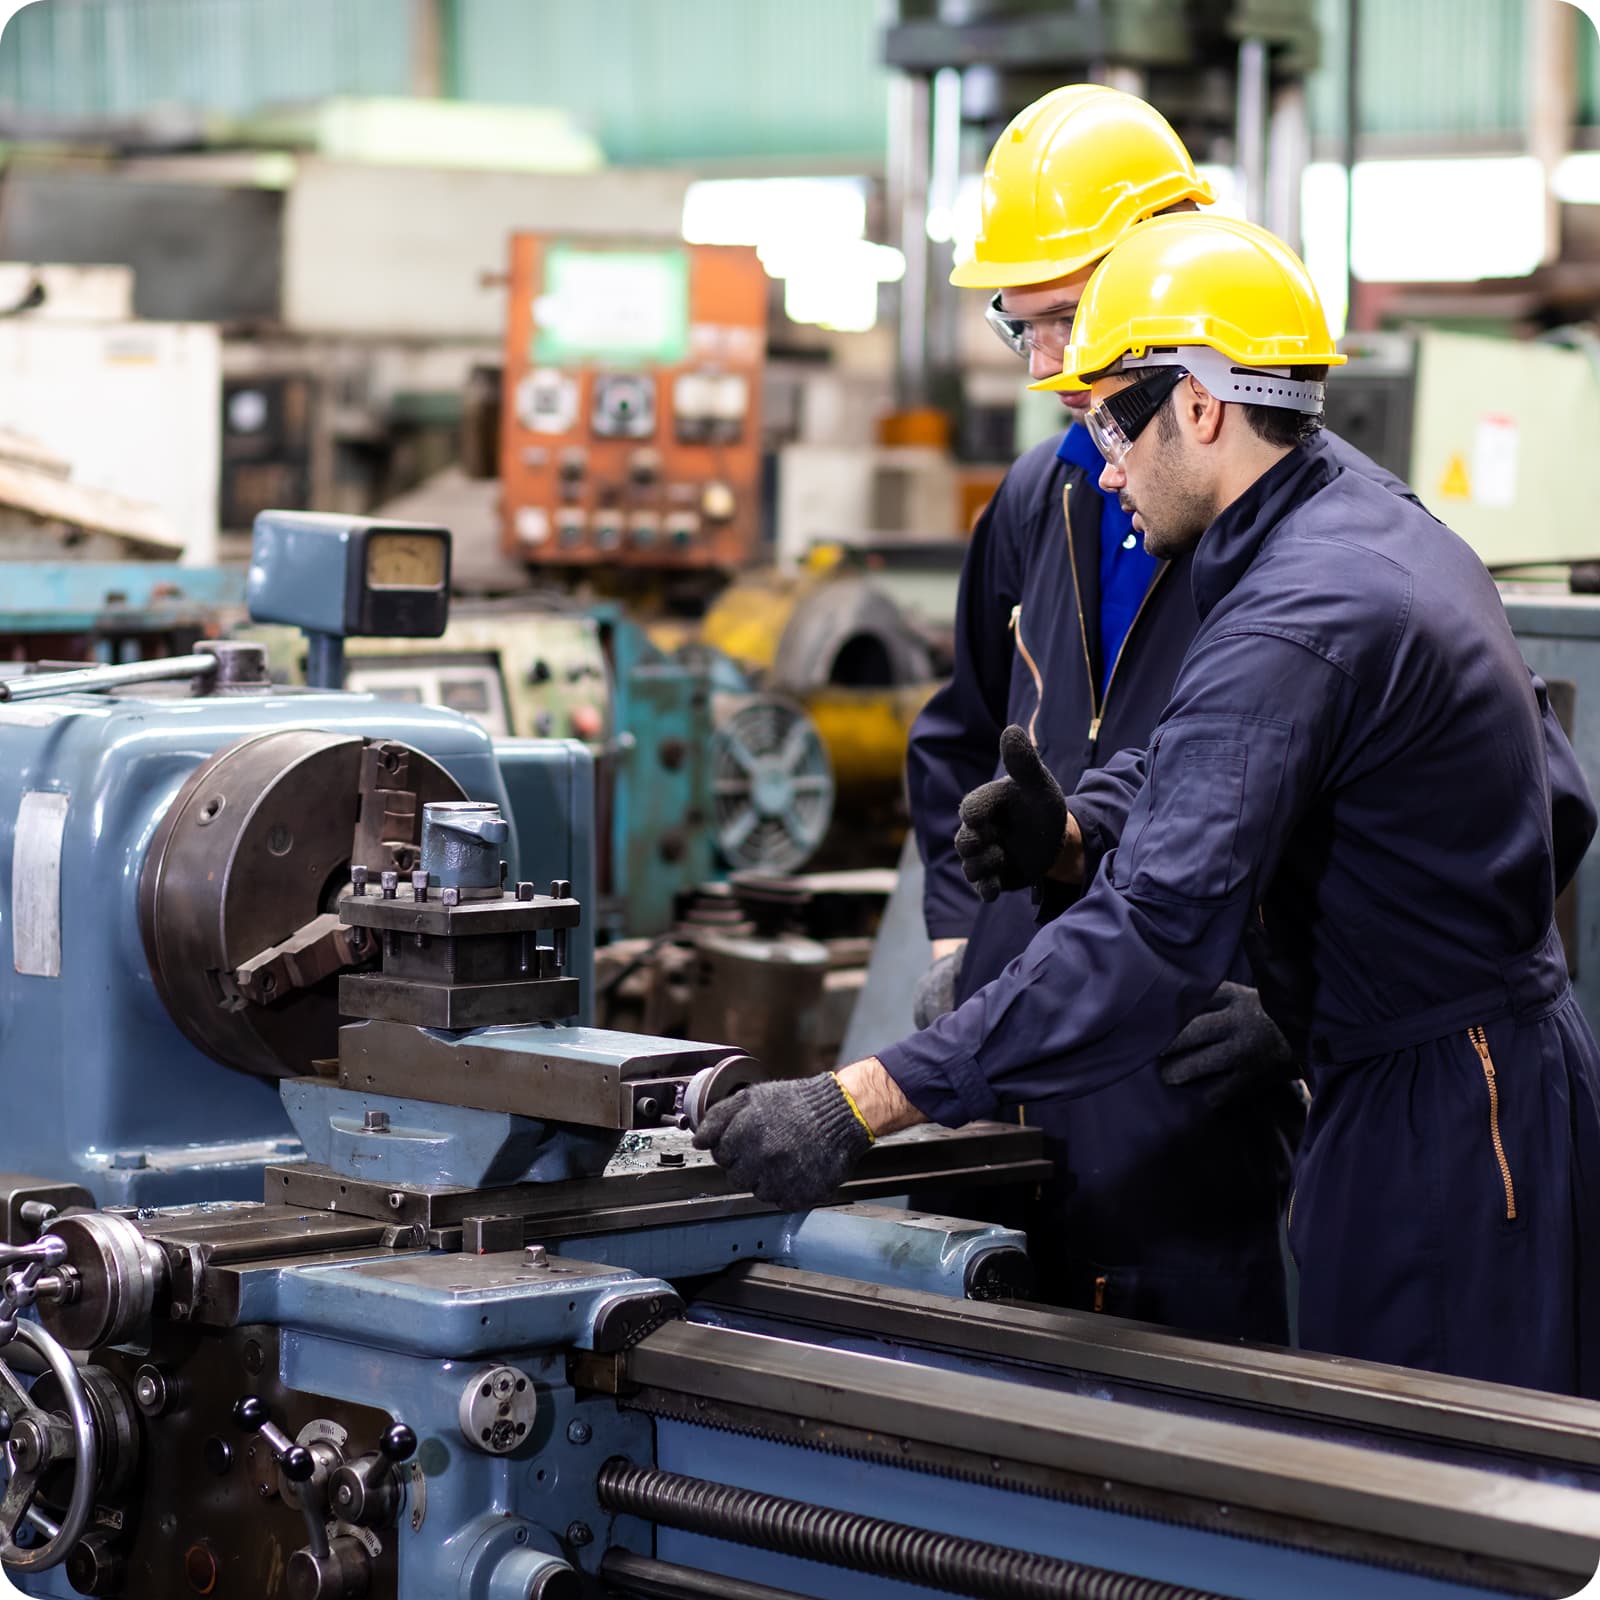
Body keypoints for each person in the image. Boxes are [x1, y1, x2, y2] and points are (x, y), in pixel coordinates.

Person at [697, 212, 1600, 1397]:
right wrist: (1079, 830)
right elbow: (1224, 754)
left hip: (1445, 1120)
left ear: (1204, 405)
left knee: (1441, 1490)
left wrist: (857, 1101)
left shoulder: (1300, 608)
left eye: (1113, 417)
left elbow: (1152, 940)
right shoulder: (1342, 520)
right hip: (1437, 1078)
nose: (1102, 461)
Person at [903, 84, 1414, 1339]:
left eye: (1068, 320)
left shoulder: (1306, 536)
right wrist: (959, 945)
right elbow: (959, 735)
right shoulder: (1043, 500)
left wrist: (1297, 1014)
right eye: (1017, 325)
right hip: (1024, 1064)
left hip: (1198, 1073)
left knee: (1197, 1439)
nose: (1044, 367)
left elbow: (1515, 822)